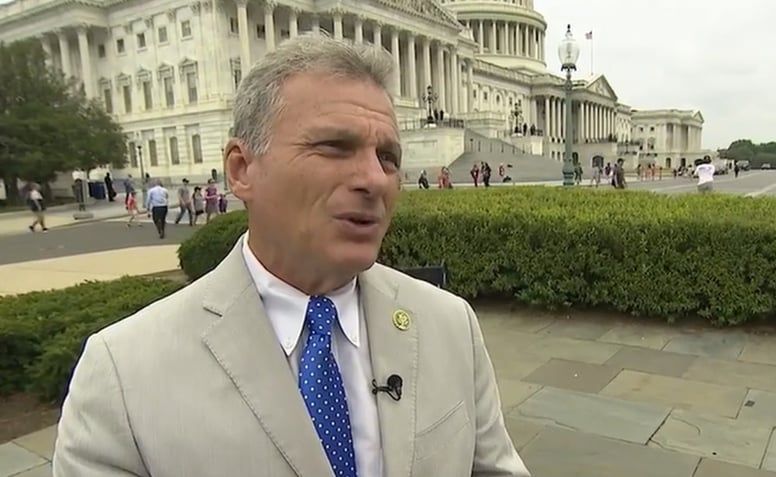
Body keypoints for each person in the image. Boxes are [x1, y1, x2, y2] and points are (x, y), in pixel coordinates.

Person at [53, 33, 529, 477]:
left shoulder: (449, 324)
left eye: (388, 157)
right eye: (334, 147)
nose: (374, 179)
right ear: (242, 170)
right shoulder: (122, 371)